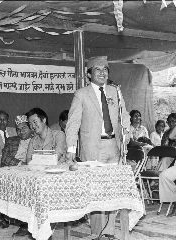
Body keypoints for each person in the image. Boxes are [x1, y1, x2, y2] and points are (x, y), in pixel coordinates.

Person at [65, 56, 130, 239]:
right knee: (96, 195)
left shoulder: (115, 91)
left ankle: (109, 233)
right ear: (88, 74)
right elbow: (73, 124)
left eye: (105, 70)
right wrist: (71, 149)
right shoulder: (81, 94)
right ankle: (97, 234)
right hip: (93, 148)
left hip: (114, 147)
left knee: (112, 192)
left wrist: (126, 137)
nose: (102, 73)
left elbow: (123, 116)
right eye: (97, 70)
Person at [159, 114, 176, 206]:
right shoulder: (166, 133)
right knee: (165, 159)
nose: (171, 123)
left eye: (173, 121)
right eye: (169, 122)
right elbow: (163, 147)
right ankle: (157, 183)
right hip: (169, 156)